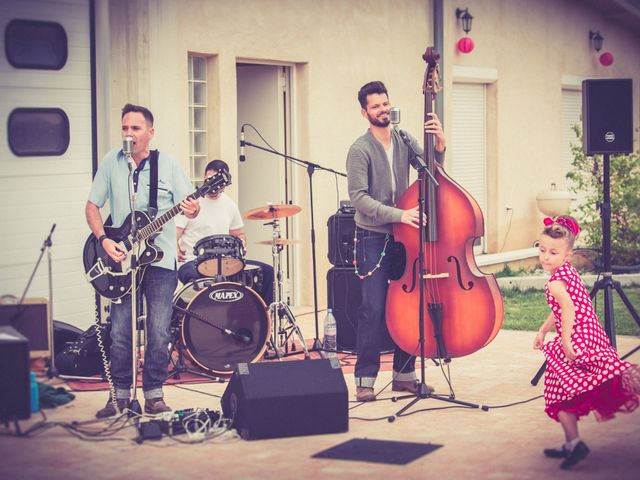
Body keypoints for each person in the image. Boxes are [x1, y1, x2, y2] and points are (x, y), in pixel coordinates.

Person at [86, 103, 200, 418]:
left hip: (160, 261)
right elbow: (92, 206)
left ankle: (154, 394)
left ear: (150, 133)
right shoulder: (111, 162)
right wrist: (104, 240)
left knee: (159, 329)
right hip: (121, 261)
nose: (128, 134)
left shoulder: (169, 165)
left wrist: (192, 210)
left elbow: (191, 206)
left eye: (135, 128)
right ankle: (120, 395)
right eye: (124, 128)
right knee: (121, 329)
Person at [346, 81, 446, 402]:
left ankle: (405, 376)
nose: (383, 110)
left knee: (408, 304)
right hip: (373, 238)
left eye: (385, 104)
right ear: (364, 112)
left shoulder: (404, 139)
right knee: (372, 309)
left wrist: (440, 144)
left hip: (405, 237)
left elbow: (431, 170)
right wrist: (400, 215)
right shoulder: (359, 150)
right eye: (376, 106)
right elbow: (359, 199)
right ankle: (364, 380)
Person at [533, 215, 640, 469]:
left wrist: (567, 344)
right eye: (542, 249)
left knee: (558, 395)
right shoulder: (567, 272)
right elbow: (559, 308)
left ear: (567, 255)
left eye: (553, 252)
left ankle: (574, 443)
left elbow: (567, 309)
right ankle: (572, 442)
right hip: (591, 334)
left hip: (577, 339)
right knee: (566, 391)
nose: (546, 256)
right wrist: (543, 329)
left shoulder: (556, 282)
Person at [176, 159, 274, 307]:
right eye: (210, 180)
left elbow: (239, 234)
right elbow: (174, 235)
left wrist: (242, 242)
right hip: (192, 262)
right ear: (204, 177)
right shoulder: (191, 202)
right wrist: (175, 248)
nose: (214, 186)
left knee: (267, 272)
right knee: (207, 282)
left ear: (225, 184)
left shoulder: (230, 205)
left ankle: (261, 321)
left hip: (225, 263)